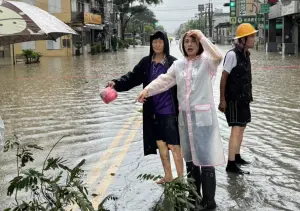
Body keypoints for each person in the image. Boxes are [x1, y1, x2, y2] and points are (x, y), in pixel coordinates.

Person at [137, 30, 225, 210]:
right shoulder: (178, 65)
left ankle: (209, 202)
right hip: (185, 120)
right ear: (182, 45)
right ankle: (193, 199)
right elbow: (164, 80)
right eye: (186, 41)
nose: (189, 44)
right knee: (191, 161)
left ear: (199, 43)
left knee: (206, 161)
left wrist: (201, 35)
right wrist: (147, 90)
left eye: (193, 41)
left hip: (203, 120)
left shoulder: (207, 63)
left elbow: (218, 55)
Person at [107, 31, 184, 184]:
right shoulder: (146, 63)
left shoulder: (174, 63)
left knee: (174, 146)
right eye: (154, 42)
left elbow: (184, 85)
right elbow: (132, 77)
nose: (157, 45)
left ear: (165, 44)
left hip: (169, 111)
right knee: (161, 145)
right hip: (152, 111)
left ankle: (181, 179)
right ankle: (168, 176)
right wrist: (116, 83)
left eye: (160, 42)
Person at [218, 23, 257, 174]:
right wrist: (222, 100)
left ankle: (237, 156)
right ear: (243, 39)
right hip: (233, 99)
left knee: (242, 127)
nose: (254, 39)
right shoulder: (232, 55)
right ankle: (231, 164)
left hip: (244, 98)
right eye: (251, 36)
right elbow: (223, 78)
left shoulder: (246, 54)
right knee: (236, 129)